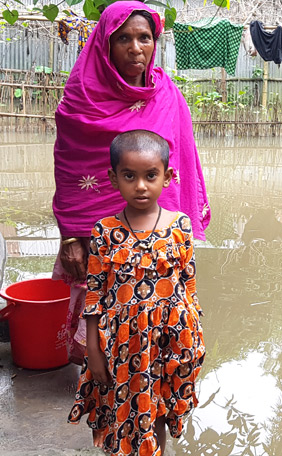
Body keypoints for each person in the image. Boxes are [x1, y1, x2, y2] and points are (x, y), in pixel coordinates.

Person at [53, 1, 211, 365]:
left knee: (155, 334)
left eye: (144, 38)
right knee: (101, 337)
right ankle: (109, 390)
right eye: (123, 38)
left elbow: (180, 165)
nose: (135, 48)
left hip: (157, 238)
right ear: (105, 43)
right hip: (98, 237)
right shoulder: (82, 99)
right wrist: (70, 237)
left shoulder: (167, 95)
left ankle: (149, 391)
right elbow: (68, 170)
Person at [68, 130, 205, 454]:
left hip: (169, 340)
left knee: (159, 407)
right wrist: (93, 350)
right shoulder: (105, 231)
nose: (140, 185)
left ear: (168, 177)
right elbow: (95, 294)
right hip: (121, 343)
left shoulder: (181, 226)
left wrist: (195, 338)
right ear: (113, 178)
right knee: (120, 408)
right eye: (130, 176)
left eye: (150, 176)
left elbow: (189, 284)